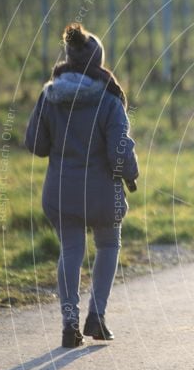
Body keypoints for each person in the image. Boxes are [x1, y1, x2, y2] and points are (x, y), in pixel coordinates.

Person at [25, 23, 139, 348]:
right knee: (108, 245)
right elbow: (120, 152)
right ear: (98, 62)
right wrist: (131, 172)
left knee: (70, 251)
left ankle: (69, 325)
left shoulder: (51, 95)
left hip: (61, 193)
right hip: (103, 194)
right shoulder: (110, 101)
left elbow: (36, 144)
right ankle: (97, 318)